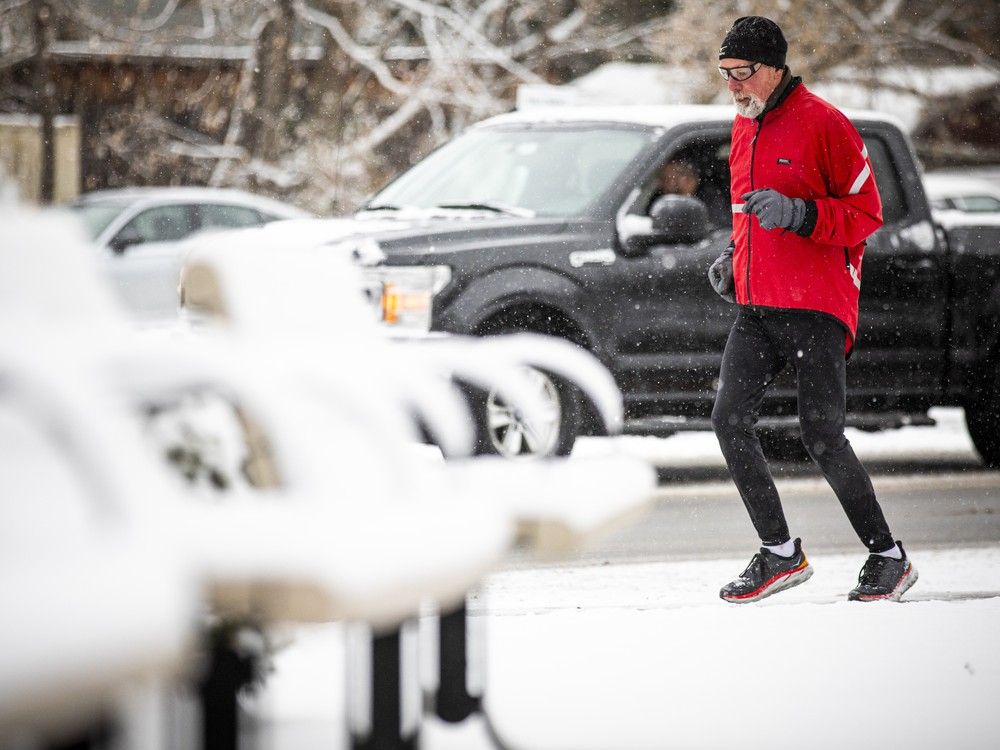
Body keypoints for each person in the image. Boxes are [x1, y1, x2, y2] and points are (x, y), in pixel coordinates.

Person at [708, 16, 918, 603]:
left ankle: (888, 556)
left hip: (816, 304)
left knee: (821, 434)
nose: (733, 87)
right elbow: (749, 213)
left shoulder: (826, 124)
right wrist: (734, 256)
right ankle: (779, 552)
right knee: (728, 419)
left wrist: (801, 215)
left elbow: (866, 213)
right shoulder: (743, 126)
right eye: (724, 74)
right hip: (758, 303)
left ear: (774, 66)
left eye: (742, 74)